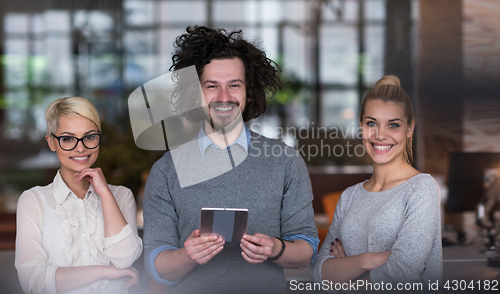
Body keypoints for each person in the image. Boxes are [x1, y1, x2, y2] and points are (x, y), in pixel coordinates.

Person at [142, 26, 319, 294]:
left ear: (249, 93)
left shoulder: (286, 161)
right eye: (212, 86)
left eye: (234, 85)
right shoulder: (166, 170)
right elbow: (157, 266)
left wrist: (276, 248)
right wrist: (187, 256)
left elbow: (306, 248)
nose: (223, 98)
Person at [311, 75, 442, 287]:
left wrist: (347, 275)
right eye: (371, 123)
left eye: (393, 125)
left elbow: (401, 274)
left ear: (410, 129)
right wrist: (370, 259)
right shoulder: (349, 196)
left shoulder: (421, 188)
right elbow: (319, 273)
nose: (380, 135)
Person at [15, 97, 143, 294]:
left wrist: (105, 193)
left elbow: (125, 258)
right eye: (67, 138)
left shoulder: (121, 196)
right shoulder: (33, 201)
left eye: (90, 136)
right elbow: (34, 281)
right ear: (51, 142)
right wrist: (104, 272)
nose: (81, 147)